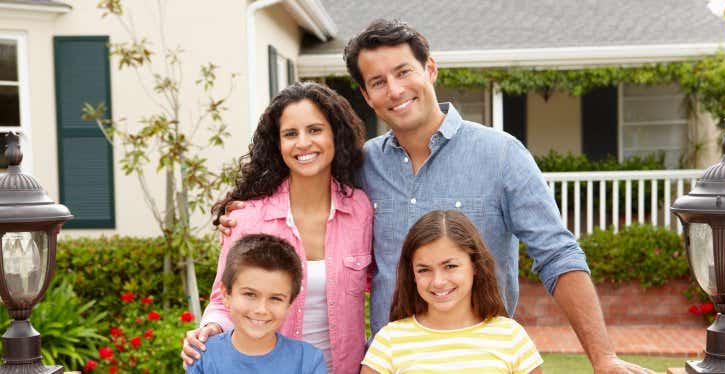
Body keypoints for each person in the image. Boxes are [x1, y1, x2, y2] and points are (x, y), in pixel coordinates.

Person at [220, 20, 651, 373]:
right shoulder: (361, 166)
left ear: (430, 69)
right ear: (367, 96)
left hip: (483, 361)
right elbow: (303, 179)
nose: (395, 89)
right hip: (393, 362)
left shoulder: (501, 155)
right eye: (378, 81)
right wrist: (244, 213)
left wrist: (603, 357)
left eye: (404, 71)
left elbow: (558, 255)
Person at [182, 82, 373, 374]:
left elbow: (381, 282)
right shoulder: (247, 218)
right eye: (290, 134)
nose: (303, 143)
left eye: (315, 130)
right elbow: (225, 298)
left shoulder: (360, 209)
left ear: (336, 135)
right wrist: (209, 329)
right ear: (278, 144)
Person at [361, 210, 543, 374]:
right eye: (424, 270)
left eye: (450, 266)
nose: (438, 281)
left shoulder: (511, 337)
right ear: (412, 274)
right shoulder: (390, 341)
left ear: (475, 265)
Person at [187, 234, 325, 374]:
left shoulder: (308, 360)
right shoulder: (203, 355)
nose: (261, 309)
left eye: (275, 298)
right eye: (250, 294)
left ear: (289, 304)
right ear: (225, 294)